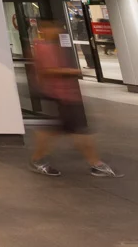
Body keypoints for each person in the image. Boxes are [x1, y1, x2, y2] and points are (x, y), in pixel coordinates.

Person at [30, 19, 120, 177]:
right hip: (60, 94)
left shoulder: (54, 46)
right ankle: (95, 163)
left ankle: (94, 162)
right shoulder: (43, 48)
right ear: (44, 29)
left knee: (66, 130)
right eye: (53, 27)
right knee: (78, 130)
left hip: (67, 95)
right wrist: (71, 71)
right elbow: (47, 70)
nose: (57, 30)